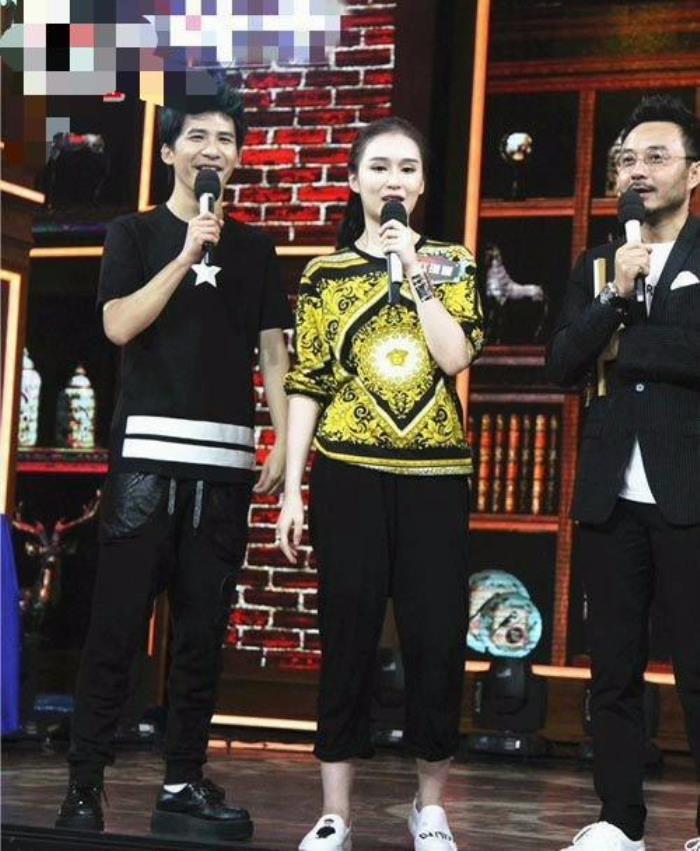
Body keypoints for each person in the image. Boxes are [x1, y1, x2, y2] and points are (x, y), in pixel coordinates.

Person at [55, 81, 292, 842]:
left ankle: (184, 780)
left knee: (201, 636)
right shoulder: (133, 234)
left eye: (225, 139)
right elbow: (119, 325)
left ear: (239, 157)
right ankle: (85, 784)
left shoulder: (256, 249)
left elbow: (274, 353)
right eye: (197, 137)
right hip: (146, 467)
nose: (212, 150)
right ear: (168, 151)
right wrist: (188, 254)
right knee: (116, 630)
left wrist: (285, 442)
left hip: (224, 467)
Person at [277, 117, 484, 851]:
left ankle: (430, 807)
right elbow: (307, 383)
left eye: (407, 168)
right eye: (379, 167)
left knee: (435, 639)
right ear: (354, 180)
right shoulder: (324, 275)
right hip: (348, 475)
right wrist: (293, 489)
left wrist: (414, 270)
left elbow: (454, 357)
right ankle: (336, 811)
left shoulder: (454, 263)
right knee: (347, 635)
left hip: (434, 476)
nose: (393, 180)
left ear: (422, 184)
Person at [547, 94, 700, 851]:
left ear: (693, 172)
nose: (638, 171)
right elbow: (561, 362)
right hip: (609, 495)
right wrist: (612, 298)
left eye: (656, 157)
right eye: (627, 160)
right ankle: (618, 820)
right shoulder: (598, 265)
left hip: (689, 492)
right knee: (611, 670)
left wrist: (625, 345)